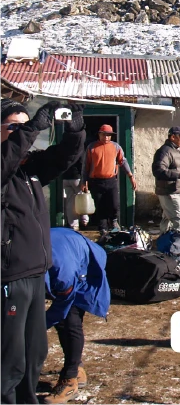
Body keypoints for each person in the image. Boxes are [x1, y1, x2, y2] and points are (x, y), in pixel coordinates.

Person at [0, 99, 85, 405]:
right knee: (9, 357)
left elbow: (65, 157)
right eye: (14, 127)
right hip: (9, 276)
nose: (23, 134)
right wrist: (31, 128)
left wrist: (75, 130)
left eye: (26, 128)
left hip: (36, 273)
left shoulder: (29, 169)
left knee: (34, 351)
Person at [42, 228, 109, 404]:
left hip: (84, 264)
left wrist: (40, 325)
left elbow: (62, 305)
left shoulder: (62, 272)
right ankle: (76, 367)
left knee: (69, 320)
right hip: (64, 248)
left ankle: (70, 380)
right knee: (62, 321)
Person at [79, 124, 137, 232]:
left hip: (111, 181)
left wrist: (130, 176)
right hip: (96, 181)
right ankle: (103, 229)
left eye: (109, 135)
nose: (106, 137)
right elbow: (86, 166)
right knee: (100, 206)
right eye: (104, 134)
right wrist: (84, 181)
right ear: (99, 134)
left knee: (114, 204)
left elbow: (123, 161)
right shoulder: (91, 147)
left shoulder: (116, 147)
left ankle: (114, 221)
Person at [152, 127, 180, 234]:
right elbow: (158, 170)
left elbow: (177, 168)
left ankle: (163, 241)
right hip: (169, 192)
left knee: (167, 220)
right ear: (173, 137)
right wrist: (179, 175)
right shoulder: (165, 151)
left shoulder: (175, 150)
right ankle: (176, 243)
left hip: (174, 191)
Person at [61, 154, 88, 231]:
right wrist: (84, 180)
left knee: (70, 202)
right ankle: (84, 219)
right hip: (77, 177)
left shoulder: (64, 150)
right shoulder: (80, 151)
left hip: (65, 178)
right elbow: (82, 165)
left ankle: (74, 225)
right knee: (82, 198)